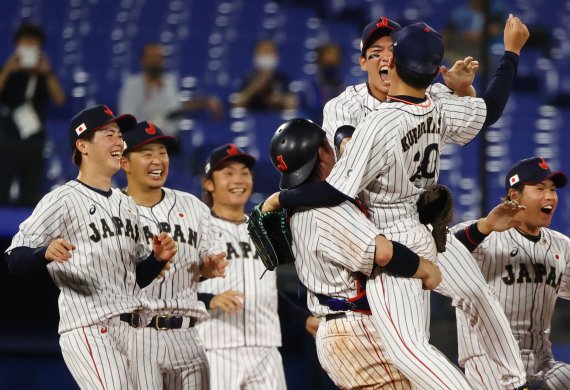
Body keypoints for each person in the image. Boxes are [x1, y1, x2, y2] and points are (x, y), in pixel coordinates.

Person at [263, 16, 531, 389]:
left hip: (406, 230)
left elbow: (336, 186)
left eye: (391, 50)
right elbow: (343, 138)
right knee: (411, 344)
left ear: (402, 62)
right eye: (375, 53)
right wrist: (508, 56)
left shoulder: (421, 101)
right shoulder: (356, 104)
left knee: (467, 302)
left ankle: (513, 382)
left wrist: (279, 198)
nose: (384, 58)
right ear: (363, 62)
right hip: (372, 234)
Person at [3, 105, 176, 389]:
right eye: (109, 134)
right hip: (90, 328)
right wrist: (43, 253)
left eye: (120, 135)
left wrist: (157, 259)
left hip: (133, 329)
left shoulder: (127, 204)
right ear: (83, 145)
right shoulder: (63, 198)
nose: (119, 141)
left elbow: (136, 278)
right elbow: (14, 258)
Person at [269, 118, 444, 388]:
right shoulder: (327, 209)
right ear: (322, 152)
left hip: (341, 330)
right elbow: (383, 253)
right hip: (355, 329)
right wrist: (425, 268)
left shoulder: (300, 206)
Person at [120, 120, 228, 389]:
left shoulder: (192, 206)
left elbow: (207, 260)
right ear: (124, 163)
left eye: (163, 152)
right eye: (147, 153)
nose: (158, 160)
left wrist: (209, 267)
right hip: (138, 336)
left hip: (189, 335)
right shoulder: (111, 211)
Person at [451, 157, 570, 389]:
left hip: (542, 363)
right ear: (515, 196)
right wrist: (483, 228)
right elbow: (439, 252)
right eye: (540, 188)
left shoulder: (562, 247)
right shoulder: (484, 235)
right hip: (489, 362)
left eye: (553, 190)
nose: (550, 197)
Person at [196, 143, 287, 390]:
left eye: (244, 172)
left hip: (266, 346)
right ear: (208, 184)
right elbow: (172, 288)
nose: (238, 179)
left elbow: (275, 287)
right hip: (215, 346)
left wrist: (306, 316)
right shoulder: (197, 230)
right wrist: (208, 299)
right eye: (228, 173)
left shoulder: (264, 228)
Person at [0, 22, 66, 206]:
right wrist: (8, 69)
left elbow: (60, 99)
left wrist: (47, 72)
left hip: (34, 138)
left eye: (33, 44)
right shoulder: (7, 71)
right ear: (16, 47)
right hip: (6, 137)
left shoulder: (45, 75)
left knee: (30, 192)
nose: (29, 47)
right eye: (24, 43)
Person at [118, 43, 224, 138]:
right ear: (143, 60)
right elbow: (128, 118)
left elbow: (175, 108)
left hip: (171, 139)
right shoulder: (133, 85)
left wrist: (204, 102)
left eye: (159, 58)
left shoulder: (169, 81)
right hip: (143, 139)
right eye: (152, 58)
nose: (156, 61)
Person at [233, 39, 298, 111]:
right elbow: (237, 104)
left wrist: (280, 99)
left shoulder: (282, 79)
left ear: (276, 55)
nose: (266, 55)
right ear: (255, 55)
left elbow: (292, 104)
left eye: (269, 52)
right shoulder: (248, 78)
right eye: (263, 52)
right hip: (251, 119)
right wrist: (253, 89)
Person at [301, 43, 345, 124]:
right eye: (327, 61)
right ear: (319, 61)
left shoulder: (346, 87)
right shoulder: (309, 89)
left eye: (334, 61)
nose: (331, 65)